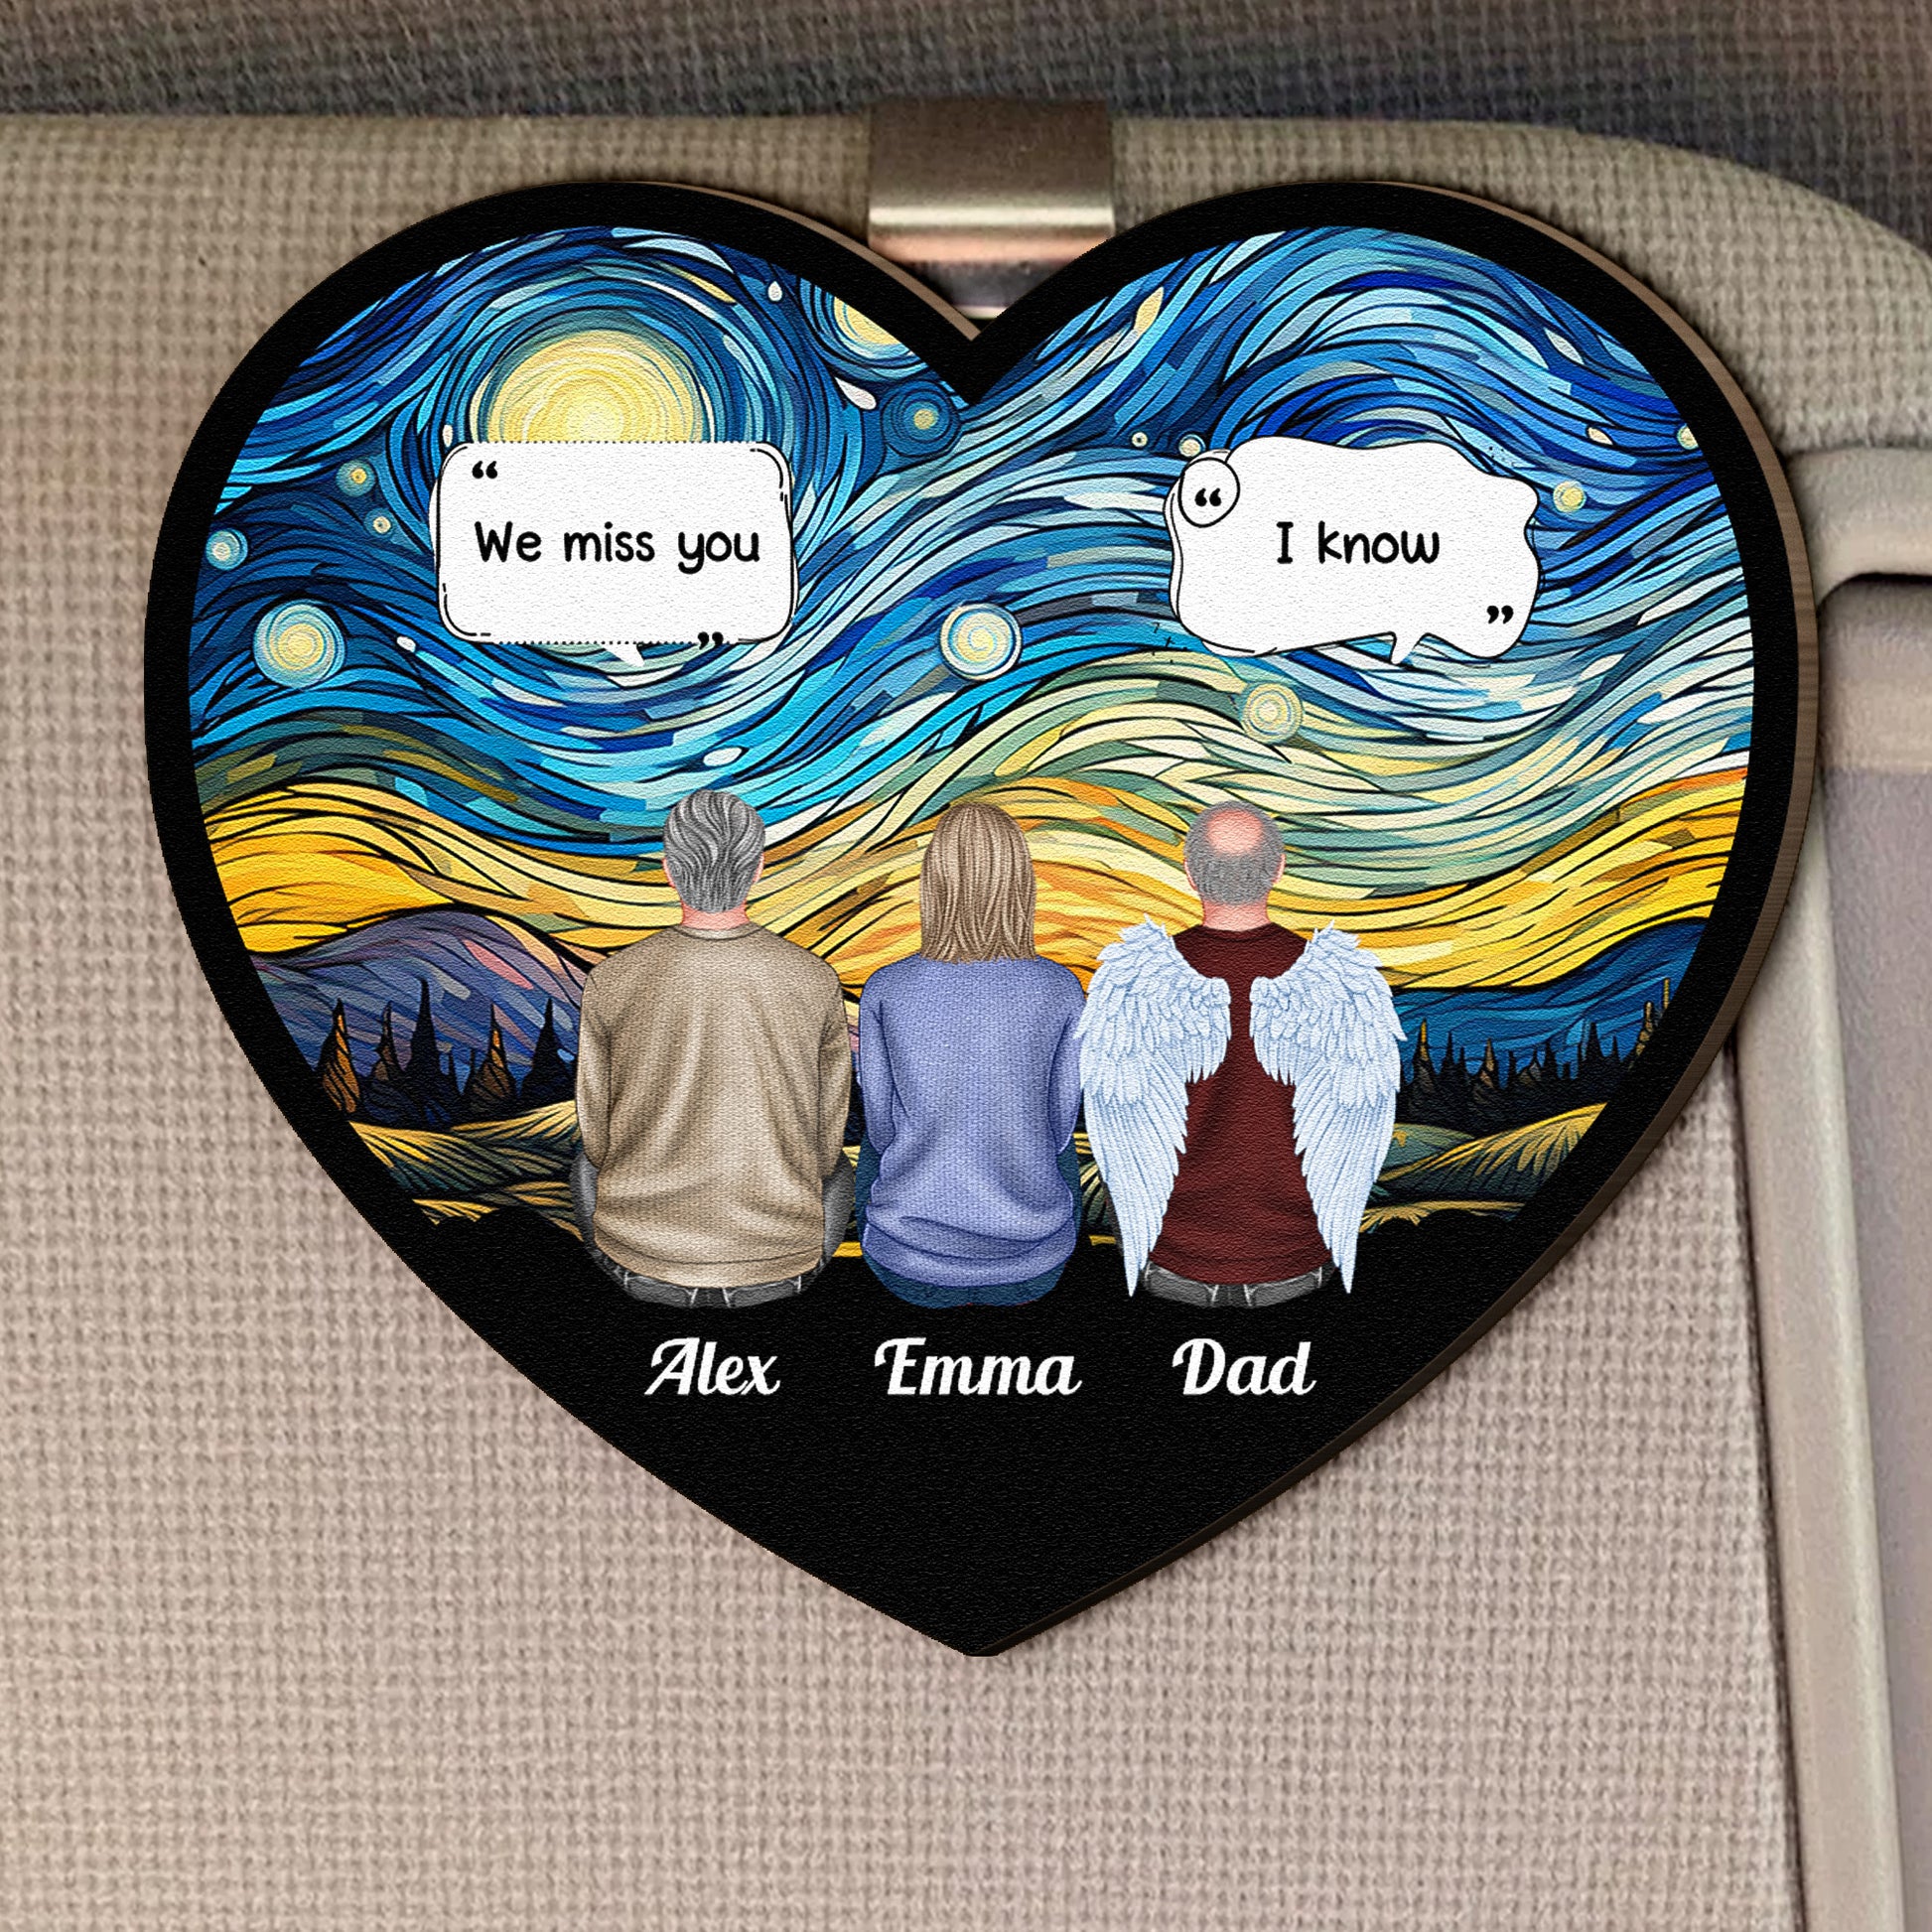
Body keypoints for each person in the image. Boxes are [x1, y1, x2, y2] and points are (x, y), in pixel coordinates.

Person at [1080, 799, 1403, 1308]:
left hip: (1172, 1268)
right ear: (1278, 869)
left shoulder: (1131, 984)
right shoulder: (1345, 986)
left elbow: (1119, 1143)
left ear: (1190, 873)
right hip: (1296, 1269)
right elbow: (1358, 1138)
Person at [570, 787, 854, 1310]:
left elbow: (597, 1139)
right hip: (779, 1261)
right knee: (839, 1170)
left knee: (582, 1165)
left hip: (639, 1258)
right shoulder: (813, 978)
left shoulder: (612, 977)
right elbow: (824, 1143)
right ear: (758, 869)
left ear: (669, 870)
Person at [855, 801, 1085, 1308]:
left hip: (908, 1264)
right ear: (1020, 884)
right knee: (1055, 1143)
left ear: (932, 883)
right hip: (1034, 1263)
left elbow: (882, 1131)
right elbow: (1058, 1127)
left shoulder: (886, 987)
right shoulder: (1062, 988)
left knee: (880, 1140)